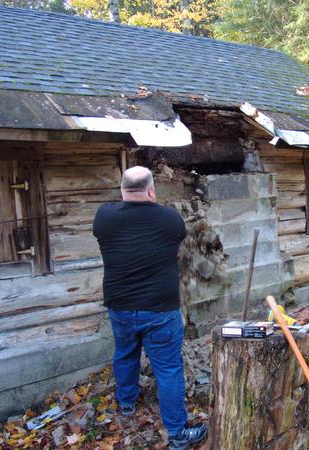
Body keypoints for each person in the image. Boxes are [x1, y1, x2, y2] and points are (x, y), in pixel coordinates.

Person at [93, 166, 207, 449]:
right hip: (159, 310)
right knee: (168, 369)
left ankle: (127, 403)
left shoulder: (104, 217)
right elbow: (173, 235)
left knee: (125, 353)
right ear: (152, 190)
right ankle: (178, 435)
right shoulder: (170, 219)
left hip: (120, 306)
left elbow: (117, 209)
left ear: (122, 190)